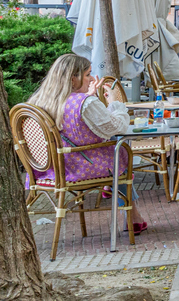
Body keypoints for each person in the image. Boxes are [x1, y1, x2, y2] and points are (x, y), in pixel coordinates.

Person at [27, 54, 149, 234]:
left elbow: (70, 125)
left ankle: (125, 204)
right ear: (72, 78)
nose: (92, 79)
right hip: (82, 167)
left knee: (115, 150)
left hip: (50, 168)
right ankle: (131, 214)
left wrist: (87, 96)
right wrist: (115, 103)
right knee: (119, 148)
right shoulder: (85, 102)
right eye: (87, 75)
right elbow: (117, 127)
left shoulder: (38, 101)